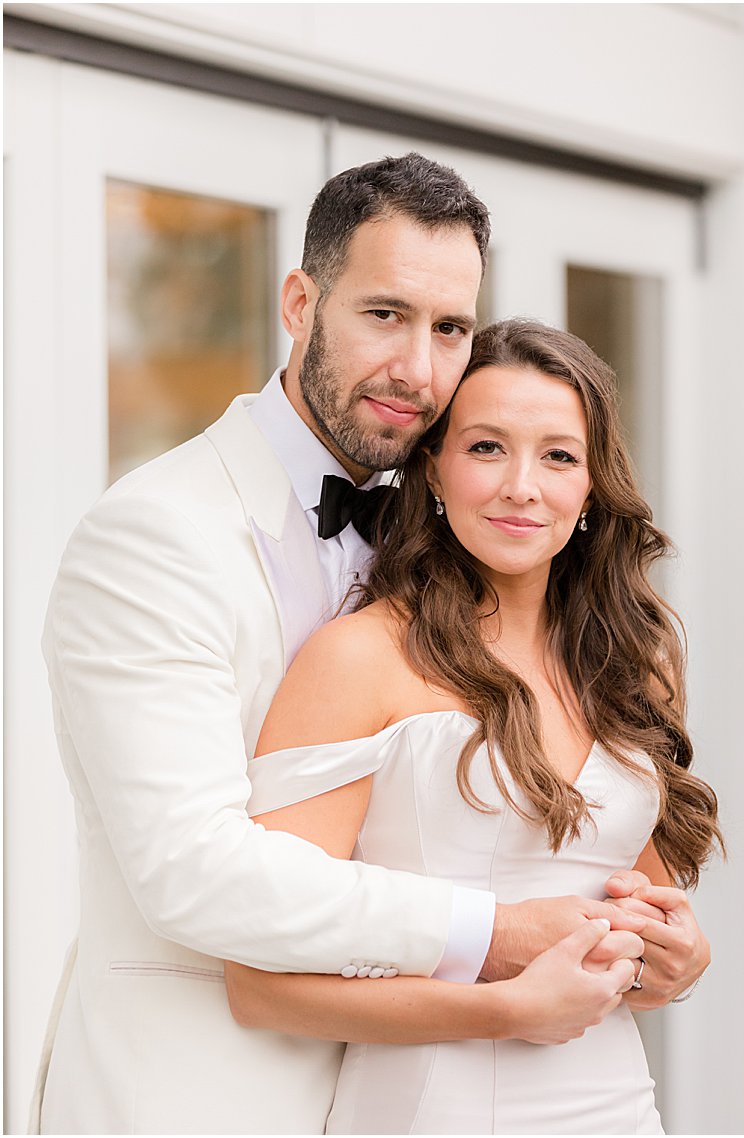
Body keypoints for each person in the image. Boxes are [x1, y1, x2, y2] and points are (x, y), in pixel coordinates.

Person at [35, 154, 698, 1134]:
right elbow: (194, 870)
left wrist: (661, 946)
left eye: (448, 329)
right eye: (384, 314)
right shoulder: (156, 534)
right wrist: (500, 936)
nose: (419, 369)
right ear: (300, 302)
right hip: (207, 1092)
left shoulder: (443, 543)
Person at [220, 319, 720, 1133]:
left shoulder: (637, 663)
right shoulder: (358, 659)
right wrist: (505, 1012)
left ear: (592, 487)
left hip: (615, 1107)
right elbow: (260, 984)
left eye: (559, 456)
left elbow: (643, 913)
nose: (523, 486)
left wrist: (679, 964)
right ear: (434, 467)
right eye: (487, 447)